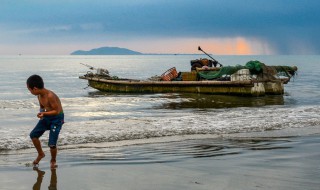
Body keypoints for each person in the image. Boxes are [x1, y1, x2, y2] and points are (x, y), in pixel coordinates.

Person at [26, 75, 64, 169]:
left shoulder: (50, 96)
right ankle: (40, 154)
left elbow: (57, 111)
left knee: (52, 143)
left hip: (57, 119)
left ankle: (53, 160)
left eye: (29, 90)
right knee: (33, 135)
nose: (30, 92)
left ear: (34, 88)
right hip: (47, 116)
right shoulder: (39, 96)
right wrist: (41, 113)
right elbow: (42, 107)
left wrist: (44, 114)